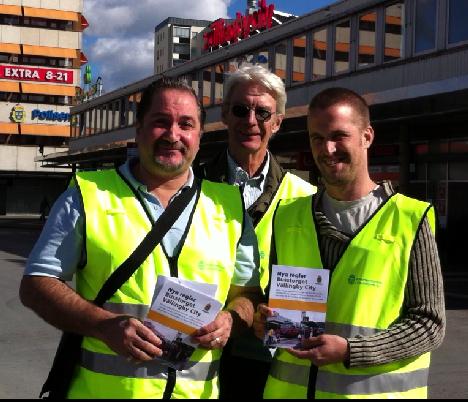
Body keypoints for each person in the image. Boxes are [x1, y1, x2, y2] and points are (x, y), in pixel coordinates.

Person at [19, 77, 262, 399]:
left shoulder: (229, 205)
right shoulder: (88, 193)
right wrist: (103, 325)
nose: (173, 135)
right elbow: (37, 283)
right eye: (161, 122)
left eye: (186, 124)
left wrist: (231, 320)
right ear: (139, 129)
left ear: (199, 136)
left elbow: (248, 294)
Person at [255, 87, 446, 399]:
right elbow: (278, 302)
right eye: (317, 138)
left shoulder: (410, 218)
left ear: (367, 136)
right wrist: (265, 319)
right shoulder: (288, 216)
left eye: (339, 135)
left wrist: (351, 350)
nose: (327, 149)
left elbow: (429, 323)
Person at [195, 64, 316, 398]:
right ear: (224, 115)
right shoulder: (191, 186)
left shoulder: (305, 195)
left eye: (263, 112)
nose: (251, 120)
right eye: (240, 109)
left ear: (277, 123)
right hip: (203, 349)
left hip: (275, 356)